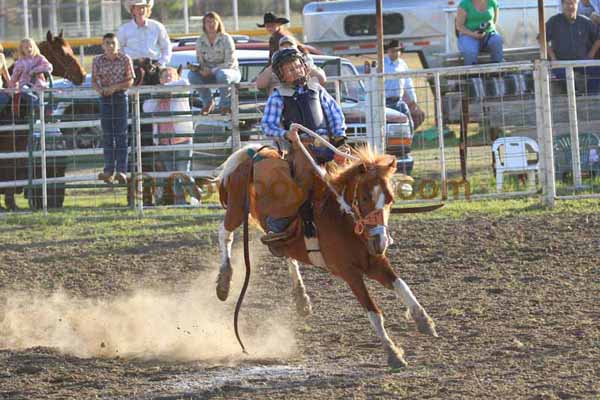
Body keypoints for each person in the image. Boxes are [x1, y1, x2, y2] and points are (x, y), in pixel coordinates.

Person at [259, 48, 346, 244]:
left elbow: (335, 115)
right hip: (300, 148)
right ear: (281, 75)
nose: (296, 71)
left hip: (326, 144)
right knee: (305, 178)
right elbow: (268, 125)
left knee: (353, 171)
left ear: (304, 67)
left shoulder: (318, 90)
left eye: (298, 66)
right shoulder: (278, 96)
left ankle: (361, 215)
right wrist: (285, 134)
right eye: (290, 69)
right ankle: (281, 221)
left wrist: (340, 141)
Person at [143, 67, 196, 205]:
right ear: (160, 79)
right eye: (165, 76)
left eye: (171, 75)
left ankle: (195, 194)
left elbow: (185, 82)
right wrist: (159, 94)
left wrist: (164, 88)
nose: (168, 78)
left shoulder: (180, 89)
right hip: (163, 140)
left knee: (182, 170)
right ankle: (181, 201)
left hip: (182, 138)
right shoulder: (156, 95)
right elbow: (146, 108)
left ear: (176, 78)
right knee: (172, 172)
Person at [92, 33, 134, 184]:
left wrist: (115, 88)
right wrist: (101, 90)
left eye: (113, 43)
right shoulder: (97, 60)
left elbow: (130, 80)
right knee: (108, 135)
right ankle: (108, 169)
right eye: (107, 43)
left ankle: (121, 170)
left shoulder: (125, 59)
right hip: (104, 98)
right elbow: (94, 81)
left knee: (121, 135)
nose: (110, 46)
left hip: (120, 97)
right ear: (102, 45)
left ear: (117, 45)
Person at [188, 11, 241, 115]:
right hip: (209, 73)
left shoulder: (226, 38)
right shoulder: (200, 40)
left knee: (222, 74)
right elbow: (200, 61)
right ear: (204, 24)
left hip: (230, 72)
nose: (210, 24)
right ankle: (208, 103)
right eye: (208, 22)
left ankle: (225, 106)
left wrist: (212, 71)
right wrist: (200, 69)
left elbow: (230, 62)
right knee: (192, 75)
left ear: (218, 23)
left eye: (213, 21)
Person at [547, 0, 600, 92]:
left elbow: (598, 37)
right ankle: (575, 95)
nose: (570, 6)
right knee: (563, 77)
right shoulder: (554, 21)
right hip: (562, 64)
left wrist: (591, 54)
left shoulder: (585, 21)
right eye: (567, 3)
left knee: (597, 71)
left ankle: (591, 96)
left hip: (583, 61)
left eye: (572, 3)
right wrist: (553, 58)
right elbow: (541, 39)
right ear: (562, 5)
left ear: (577, 4)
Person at [255, 35, 326, 93]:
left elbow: (322, 79)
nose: (287, 49)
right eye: (284, 47)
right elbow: (260, 84)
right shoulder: (274, 69)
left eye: (290, 46)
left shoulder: (306, 63)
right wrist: (274, 64)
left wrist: (306, 65)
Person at [117, 0, 171, 72]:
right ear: (133, 10)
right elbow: (119, 49)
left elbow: (166, 47)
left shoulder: (157, 26)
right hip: (132, 67)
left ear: (147, 10)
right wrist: (126, 64)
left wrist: (160, 63)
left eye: (143, 7)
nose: (141, 10)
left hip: (155, 66)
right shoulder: (123, 29)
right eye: (138, 8)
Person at [0, 38, 52, 113]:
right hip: (24, 83)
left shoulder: (39, 58)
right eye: (26, 47)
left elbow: (49, 67)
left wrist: (35, 70)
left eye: (31, 46)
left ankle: (43, 109)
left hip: (38, 83)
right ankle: (41, 108)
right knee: (24, 91)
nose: (29, 49)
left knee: (39, 90)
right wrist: (11, 86)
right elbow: (14, 77)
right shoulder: (20, 62)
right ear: (22, 49)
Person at [383, 39, 425, 129]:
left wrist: (413, 101)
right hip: (384, 102)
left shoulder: (402, 64)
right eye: (392, 51)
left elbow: (408, 84)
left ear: (400, 52)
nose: (394, 53)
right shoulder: (382, 64)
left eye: (397, 51)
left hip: (398, 101)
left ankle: (408, 139)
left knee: (410, 124)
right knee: (386, 125)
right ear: (388, 51)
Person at [455, 0, 504, 65]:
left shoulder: (492, 2)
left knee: (497, 40)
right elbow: (459, 26)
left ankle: (498, 70)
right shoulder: (464, 4)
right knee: (471, 51)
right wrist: (473, 34)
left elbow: (494, 21)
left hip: (489, 34)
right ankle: (471, 73)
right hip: (468, 35)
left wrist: (487, 30)